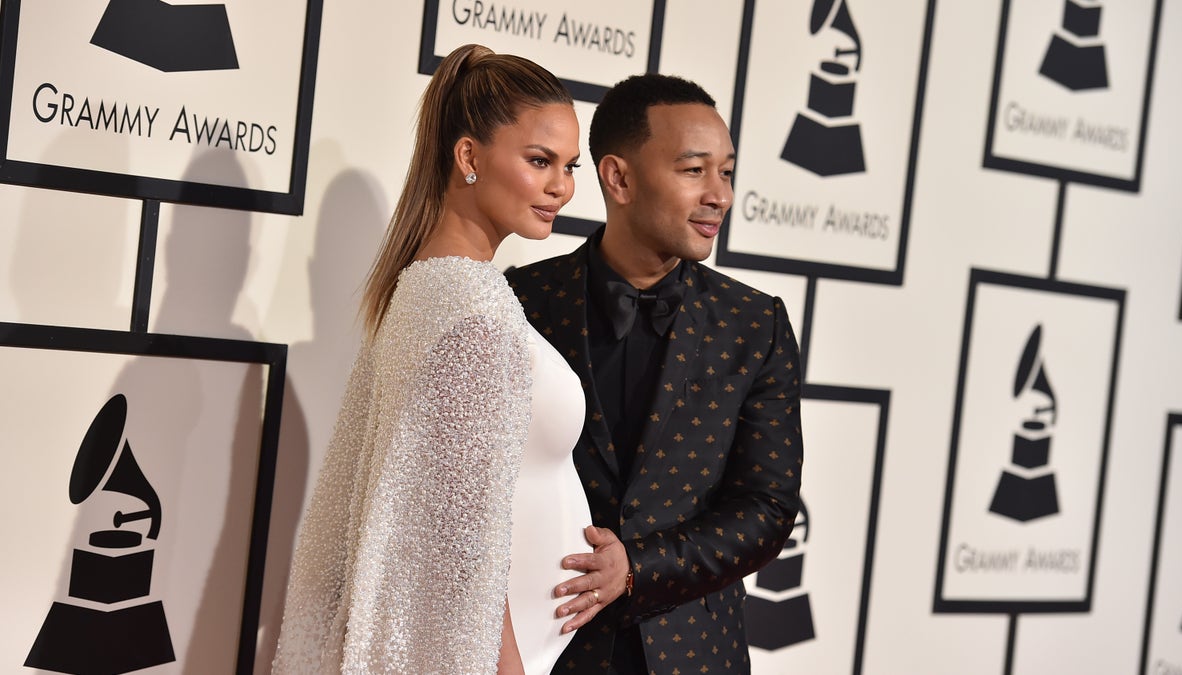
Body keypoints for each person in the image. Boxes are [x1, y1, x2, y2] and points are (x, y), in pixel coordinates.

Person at [273, 44, 595, 674]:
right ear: (469, 156)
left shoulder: (425, 288)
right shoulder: (473, 308)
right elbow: (454, 542)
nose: (562, 186)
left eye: (569, 165)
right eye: (539, 161)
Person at [505, 74, 804, 674]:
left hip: (693, 653)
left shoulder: (754, 324)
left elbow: (767, 507)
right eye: (694, 171)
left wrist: (638, 567)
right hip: (545, 648)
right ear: (618, 178)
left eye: (727, 172)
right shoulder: (522, 303)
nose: (718, 194)